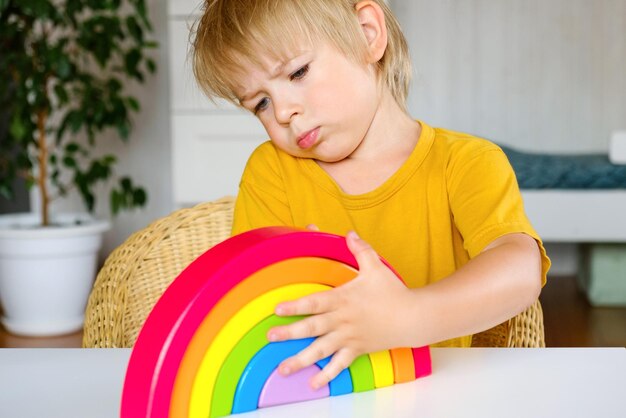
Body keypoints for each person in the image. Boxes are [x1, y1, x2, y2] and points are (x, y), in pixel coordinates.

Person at [192, 0, 551, 390]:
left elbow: (520, 269)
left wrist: (406, 317)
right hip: (314, 397)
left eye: (297, 72)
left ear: (368, 34)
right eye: (260, 102)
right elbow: (253, 308)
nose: (282, 112)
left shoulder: (465, 163)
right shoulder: (272, 171)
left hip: (436, 394)